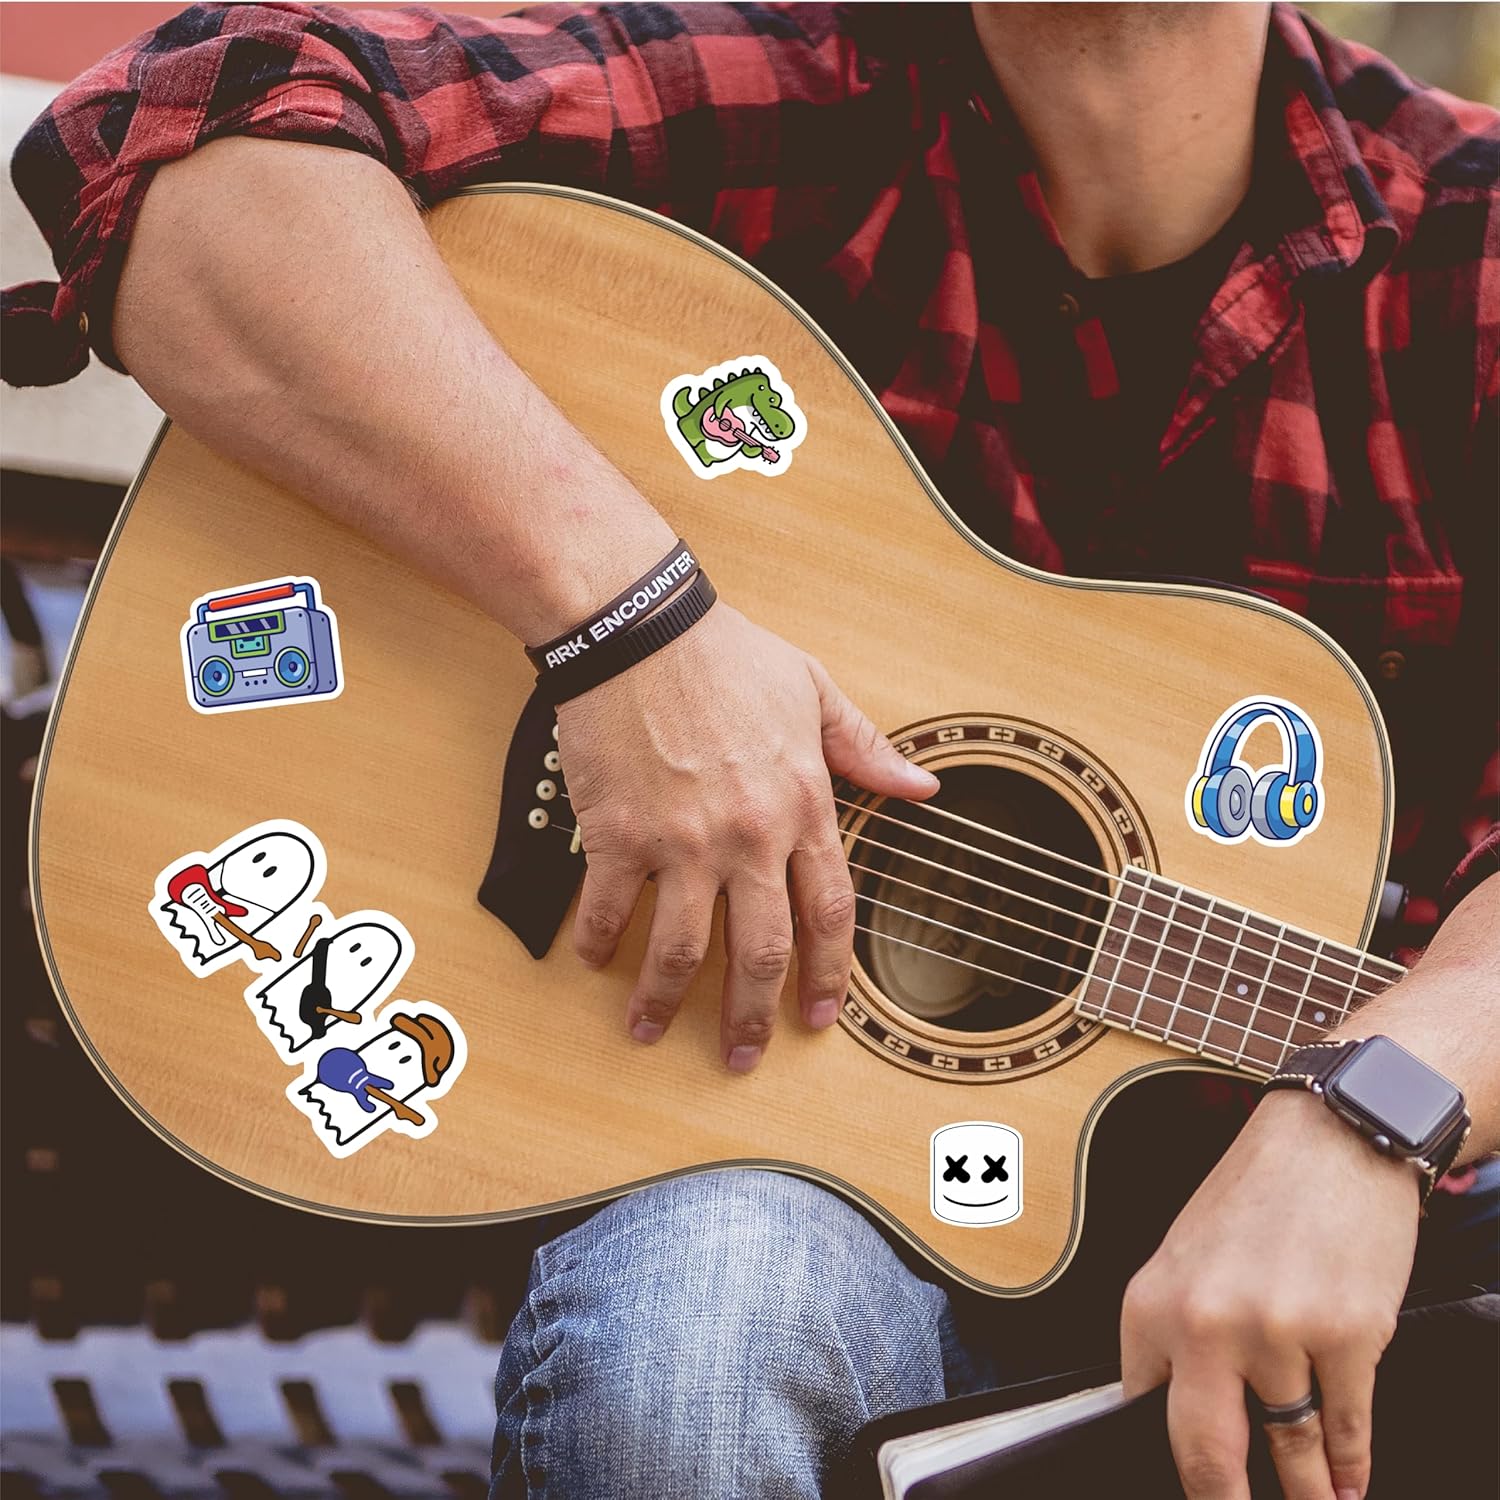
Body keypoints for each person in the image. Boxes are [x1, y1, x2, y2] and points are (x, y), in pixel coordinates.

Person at [5, 4, 1496, 1496]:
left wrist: (1366, 1113)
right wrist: (630, 629)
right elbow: (176, 141)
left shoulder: (1466, 244)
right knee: (694, 1340)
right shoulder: (791, 86)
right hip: (790, 1185)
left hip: (1326, 1259)